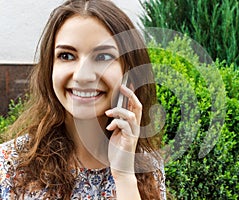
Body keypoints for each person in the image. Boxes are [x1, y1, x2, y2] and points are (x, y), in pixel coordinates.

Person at [0, 0, 166, 199]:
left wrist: (124, 175)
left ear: (129, 72)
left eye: (103, 57)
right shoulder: (10, 165)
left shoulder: (147, 166)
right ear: (49, 69)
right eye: (67, 56)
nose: (82, 76)